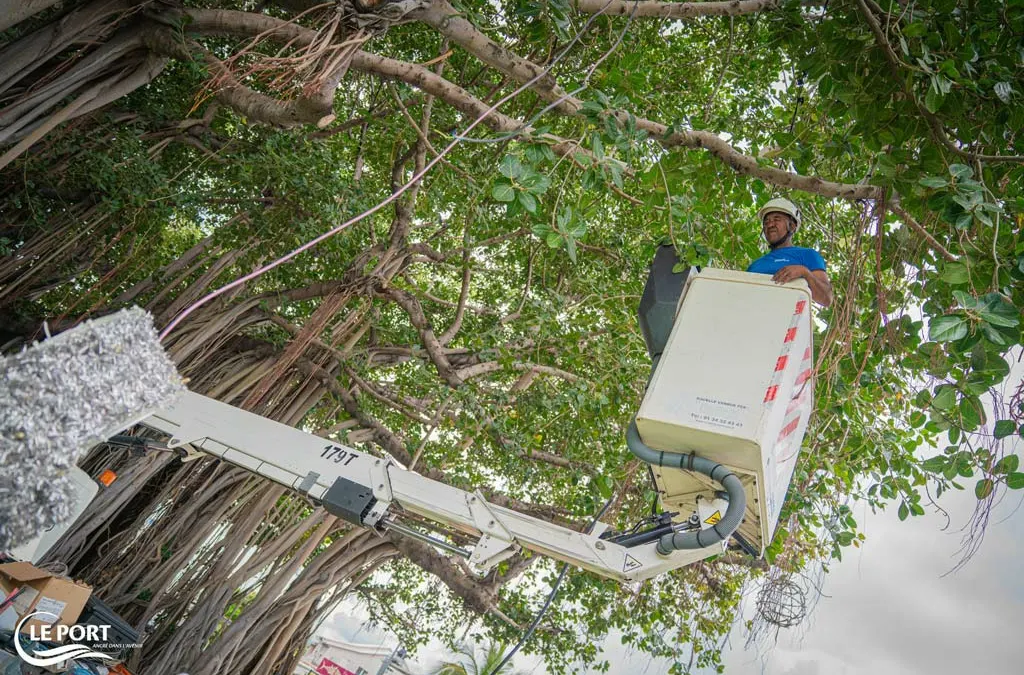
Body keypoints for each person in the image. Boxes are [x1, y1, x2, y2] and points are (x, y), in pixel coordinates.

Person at [747, 197, 833, 307]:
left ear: (792, 226)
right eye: (766, 222)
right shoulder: (754, 265)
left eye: (777, 219)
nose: (770, 225)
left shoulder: (807, 255)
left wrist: (804, 272)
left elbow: (826, 299)